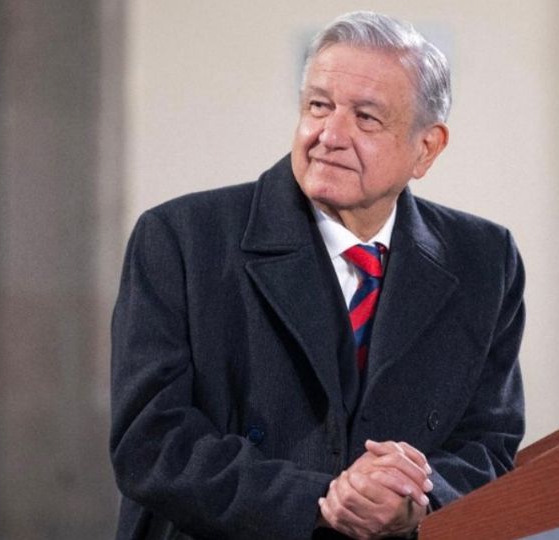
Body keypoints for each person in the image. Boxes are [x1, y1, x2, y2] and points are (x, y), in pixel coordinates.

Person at [110, 11, 525, 540]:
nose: (330, 134)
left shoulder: (485, 259)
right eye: (318, 106)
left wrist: (417, 500)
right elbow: (152, 443)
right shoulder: (181, 239)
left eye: (367, 118)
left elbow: (488, 444)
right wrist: (325, 501)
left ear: (427, 148)